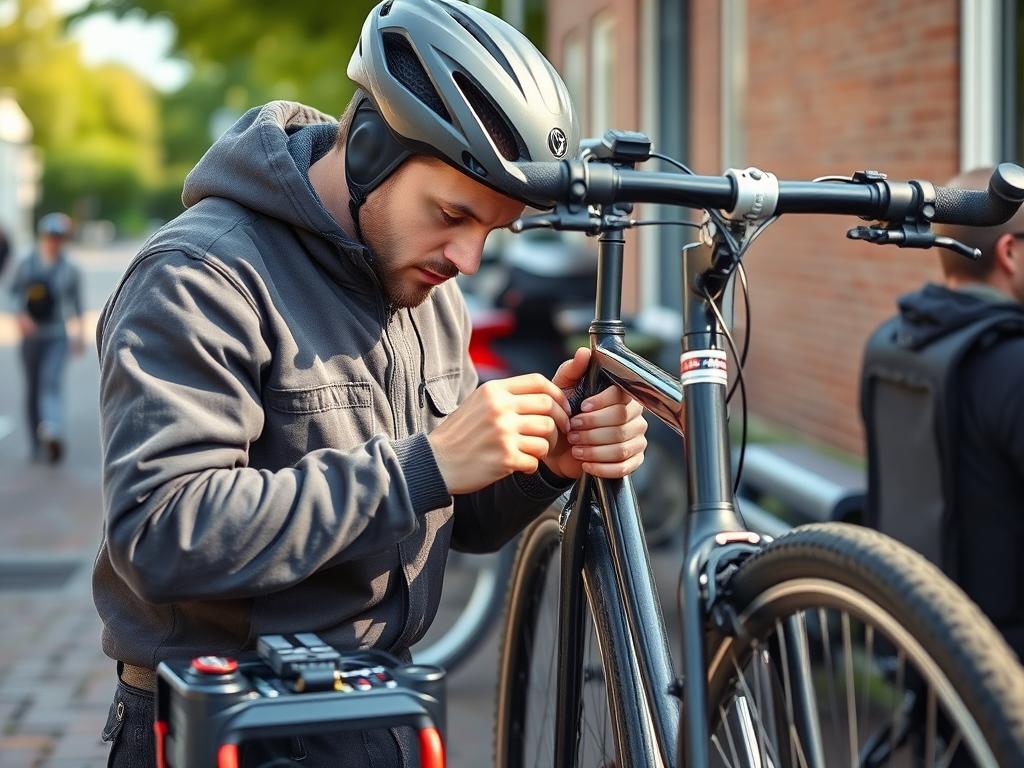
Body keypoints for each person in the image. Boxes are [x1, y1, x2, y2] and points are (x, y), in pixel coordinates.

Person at [93, 2, 647, 766]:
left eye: (491, 231)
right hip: (232, 728)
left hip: (377, 709)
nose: (468, 260)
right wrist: (425, 464)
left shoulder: (425, 288)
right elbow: (163, 533)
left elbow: (453, 515)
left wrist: (543, 464)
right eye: (452, 214)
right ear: (370, 148)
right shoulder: (201, 277)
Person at [861, 166, 1024, 659]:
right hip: (1000, 664)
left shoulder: (892, 341)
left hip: (917, 632)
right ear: (1010, 253)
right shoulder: (1010, 363)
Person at [9, 212, 84, 463]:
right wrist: (21, 316)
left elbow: (77, 304)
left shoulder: (70, 269)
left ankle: (52, 430)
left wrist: (79, 333)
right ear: (42, 236)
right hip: (31, 337)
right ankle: (35, 443)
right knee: (32, 390)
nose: (54, 241)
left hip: (56, 335)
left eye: (59, 237)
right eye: (51, 236)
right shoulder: (26, 263)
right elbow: (12, 293)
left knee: (50, 382)